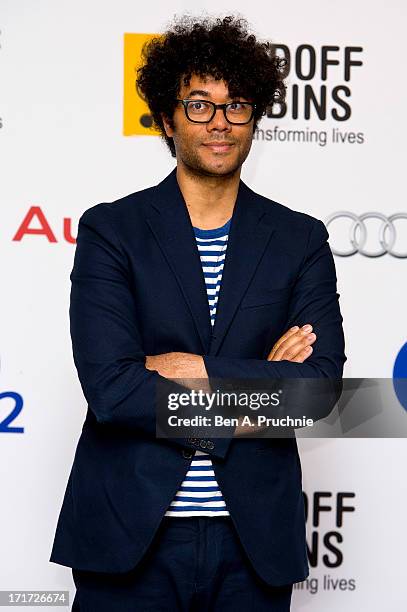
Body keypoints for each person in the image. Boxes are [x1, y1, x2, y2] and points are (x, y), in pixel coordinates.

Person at [49, 14, 346, 611]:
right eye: (199, 104)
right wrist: (256, 377)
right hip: (131, 534)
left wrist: (193, 369)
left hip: (253, 543)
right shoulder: (112, 230)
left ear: (254, 118)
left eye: (236, 105)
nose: (220, 122)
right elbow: (112, 389)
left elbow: (317, 393)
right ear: (167, 118)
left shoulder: (300, 239)